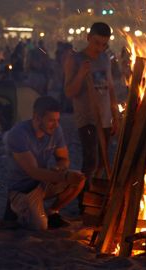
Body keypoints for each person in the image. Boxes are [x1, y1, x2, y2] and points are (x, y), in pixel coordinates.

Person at [4, 96, 85, 230]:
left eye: (57, 120)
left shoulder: (55, 130)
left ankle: (52, 211)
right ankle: (17, 209)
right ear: (37, 117)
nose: (56, 124)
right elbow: (33, 172)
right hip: (23, 188)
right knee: (41, 226)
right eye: (51, 120)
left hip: (43, 183)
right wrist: (63, 176)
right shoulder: (18, 134)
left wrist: (60, 167)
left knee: (79, 179)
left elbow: (63, 158)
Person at [63, 22, 119, 201]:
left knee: (103, 161)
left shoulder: (104, 59)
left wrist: (115, 115)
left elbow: (110, 88)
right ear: (88, 38)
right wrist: (81, 73)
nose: (100, 48)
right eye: (96, 43)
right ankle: (83, 200)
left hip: (105, 118)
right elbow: (69, 92)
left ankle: (97, 199)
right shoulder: (76, 59)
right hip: (86, 118)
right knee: (91, 160)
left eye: (104, 44)